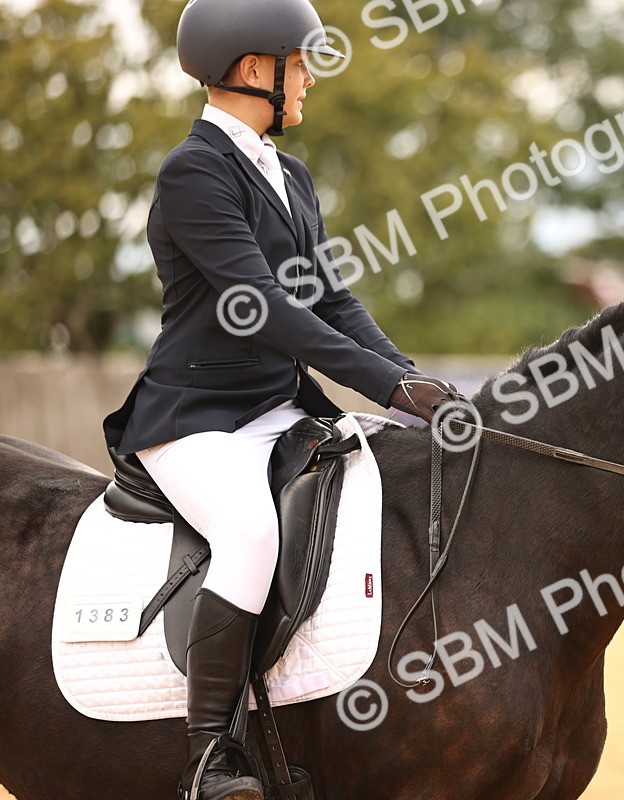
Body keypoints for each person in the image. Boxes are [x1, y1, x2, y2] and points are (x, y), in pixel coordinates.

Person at [100, 1, 456, 797]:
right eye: (301, 64)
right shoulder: (193, 173)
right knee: (251, 533)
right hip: (196, 417)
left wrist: (409, 384)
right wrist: (385, 383)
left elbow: (331, 300)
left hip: (282, 408)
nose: (309, 81)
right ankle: (210, 756)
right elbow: (262, 306)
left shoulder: (289, 176)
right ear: (255, 68)